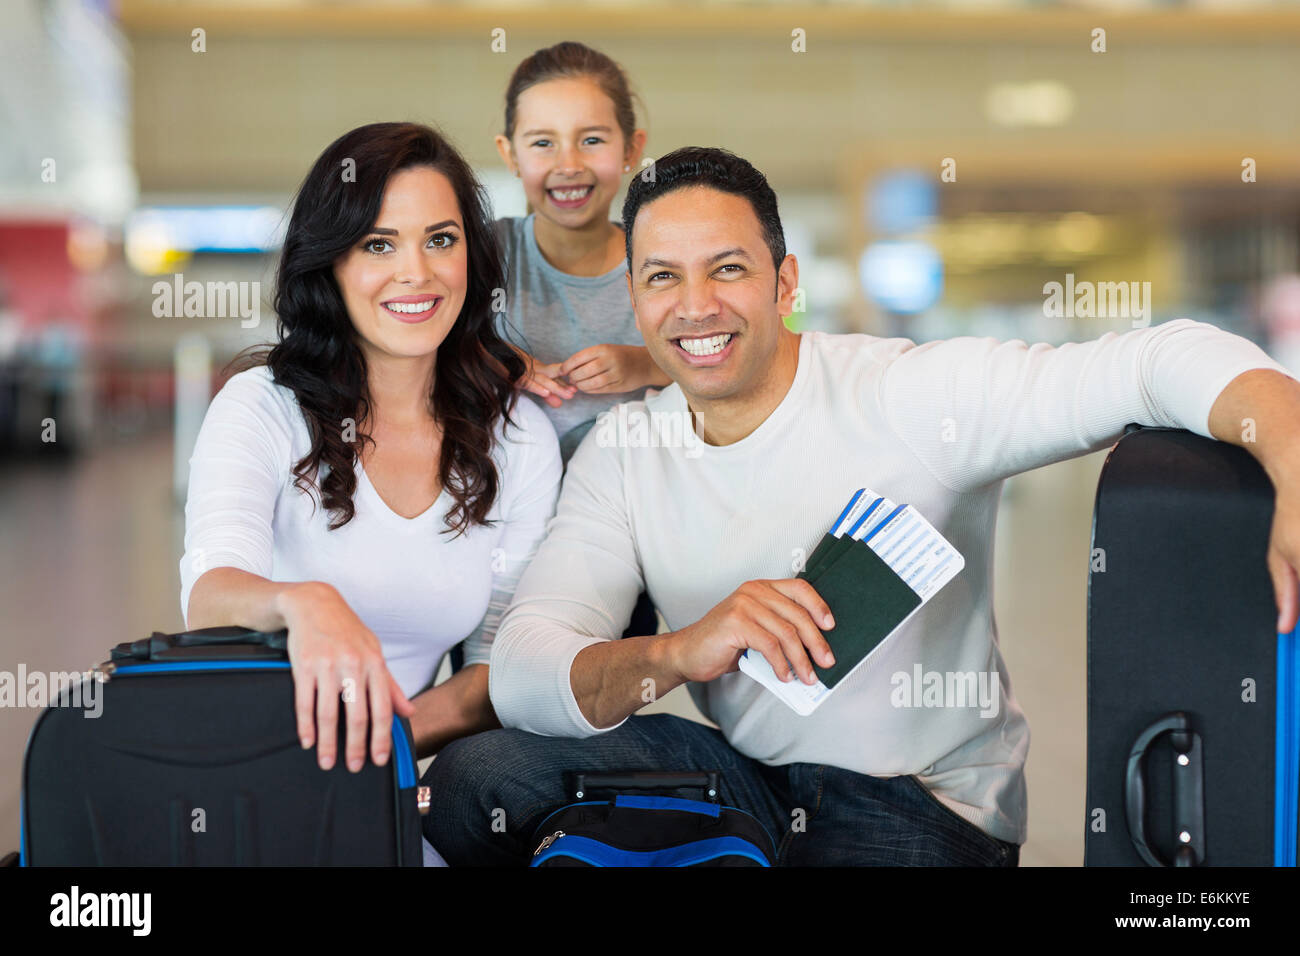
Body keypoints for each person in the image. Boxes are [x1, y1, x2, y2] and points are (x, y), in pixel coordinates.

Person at [421, 146, 1300, 866]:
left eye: (727, 269)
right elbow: (533, 666)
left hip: (920, 802)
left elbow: (1157, 362)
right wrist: (681, 652)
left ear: (784, 281)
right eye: (661, 278)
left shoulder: (907, 395)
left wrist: (1294, 456)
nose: (695, 306)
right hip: (756, 781)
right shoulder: (626, 449)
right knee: (480, 776)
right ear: (637, 300)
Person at [179, 122, 562, 865]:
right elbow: (210, 597)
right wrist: (305, 602)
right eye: (378, 244)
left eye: (441, 240)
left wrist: (376, 745)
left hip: (396, 792)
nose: (415, 272)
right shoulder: (263, 406)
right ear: (330, 265)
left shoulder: (517, 438)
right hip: (244, 784)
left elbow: (497, 666)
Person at [491, 40, 670, 464]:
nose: (568, 164)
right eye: (542, 143)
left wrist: (645, 365)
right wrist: (497, 362)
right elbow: (415, 347)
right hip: (500, 504)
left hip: (636, 505)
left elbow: (735, 357)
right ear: (510, 154)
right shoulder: (483, 252)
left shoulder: (665, 260)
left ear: (631, 149)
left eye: (591, 139)